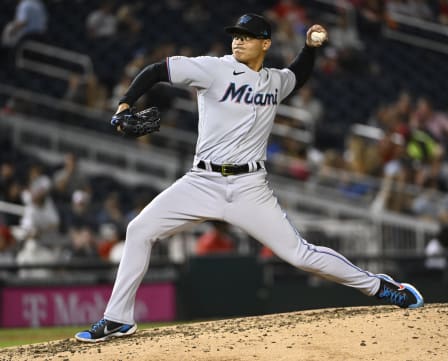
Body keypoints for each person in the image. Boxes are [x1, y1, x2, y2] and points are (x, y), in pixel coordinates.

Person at [75, 13, 424, 343]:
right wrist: (124, 104)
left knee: (300, 255)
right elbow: (157, 70)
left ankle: (380, 287)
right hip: (202, 181)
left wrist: (310, 49)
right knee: (139, 230)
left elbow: (297, 76)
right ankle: (119, 317)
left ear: (266, 43)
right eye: (236, 36)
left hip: (249, 188)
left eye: (247, 37)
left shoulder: (274, 81)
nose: (238, 42)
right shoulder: (213, 69)